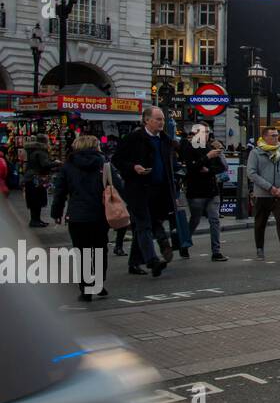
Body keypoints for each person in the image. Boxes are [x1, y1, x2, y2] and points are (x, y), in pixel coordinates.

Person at [49, 135, 123, 302]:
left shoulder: (68, 166)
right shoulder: (105, 165)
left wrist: (56, 213)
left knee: (81, 252)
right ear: (96, 146)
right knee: (99, 249)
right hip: (100, 214)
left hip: (77, 215)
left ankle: (85, 289)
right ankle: (98, 283)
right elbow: (118, 186)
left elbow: (60, 192)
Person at [111, 105, 173, 278]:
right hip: (138, 189)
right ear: (147, 120)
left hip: (159, 190)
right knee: (144, 224)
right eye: (158, 119)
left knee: (148, 224)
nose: (162, 122)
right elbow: (117, 159)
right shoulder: (134, 138)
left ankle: (134, 263)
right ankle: (152, 260)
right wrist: (133, 167)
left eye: (162, 119)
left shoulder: (165, 139)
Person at [179, 124, 229, 262]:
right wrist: (207, 158)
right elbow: (192, 167)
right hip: (196, 191)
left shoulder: (210, 147)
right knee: (195, 220)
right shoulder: (189, 148)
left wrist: (209, 169)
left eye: (207, 132)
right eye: (203, 132)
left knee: (214, 220)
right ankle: (185, 243)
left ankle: (216, 251)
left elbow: (221, 167)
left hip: (211, 190)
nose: (206, 135)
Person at [248, 127, 280, 262]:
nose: (276, 138)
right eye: (273, 135)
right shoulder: (256, 153)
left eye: (277, 135)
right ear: (264, 137)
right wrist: (269, 188)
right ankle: (260, 249)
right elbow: (251, 173)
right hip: (262, 194)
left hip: (279, 195)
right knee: (260, 223)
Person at [22, 133, 56, 227]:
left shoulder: (32, 150)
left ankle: (36, 219)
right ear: (45, 141)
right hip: (37, 178)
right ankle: (35, 221)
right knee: (37, 199)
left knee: (34, 200)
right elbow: (45, 164)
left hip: (31, 177)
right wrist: (55, 163)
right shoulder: (41, 151)